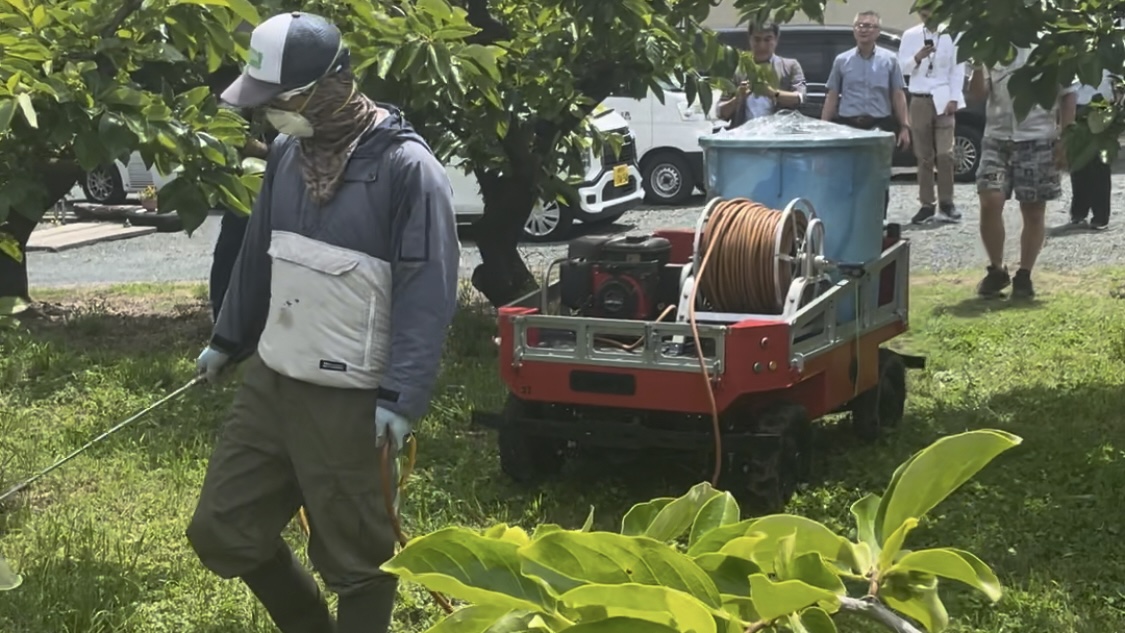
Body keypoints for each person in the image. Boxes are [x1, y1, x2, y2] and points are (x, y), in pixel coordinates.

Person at [185, 11, 461, 633]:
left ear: (327, 87)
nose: (269, 117)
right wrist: (228, 337)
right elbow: (259, 253)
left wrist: (401, 397)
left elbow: (429, 292)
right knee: (222, 528)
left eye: (279, 101)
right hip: (274, 378)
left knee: (357, 558)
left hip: (352, 394)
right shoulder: (287, 152)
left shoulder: (406, 170)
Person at [970, 47, 1077, 299]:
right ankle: (996, 270)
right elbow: (977, 95)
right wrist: (976, 63)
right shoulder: (993, 41)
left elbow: (1069, 93)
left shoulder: (1050, 41)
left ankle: (1024, 274)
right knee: (990, 198)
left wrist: (1065, 136)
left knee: (1033, 208)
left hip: (1038, 138)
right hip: (996, 138)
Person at [821, 11, 912, 216]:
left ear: (878, 32)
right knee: (846, 177)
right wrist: (823, 127)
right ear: (854, 30)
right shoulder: (841, 61)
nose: (864, 29)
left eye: (869, 26)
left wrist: (905, 126)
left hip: (879, 125)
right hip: (848, 126)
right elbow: (832, 95)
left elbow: (898, 94)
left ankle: (879, 222)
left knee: (879, 177)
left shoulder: (890, 60)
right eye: (860, 25)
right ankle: (847, 220)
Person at [898, 5, 965, 224]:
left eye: (931, 8)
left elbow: (958, 68)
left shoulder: (952, 34)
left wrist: (955, 97)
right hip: (919, 98)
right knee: (923, 155)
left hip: (944, 96)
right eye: (923, 10)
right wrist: (917, 57)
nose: (927, 14)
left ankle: (947, 202)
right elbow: (902, 69)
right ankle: (927, 204)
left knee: (946, 154)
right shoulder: (911, 35)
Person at [716, 19, 807, 127]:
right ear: (750, 40)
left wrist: (772, 93)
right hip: (744, 138)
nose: (762, 46)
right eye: (757, 40)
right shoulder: (738, 69)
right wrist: (738, 98)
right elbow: (720, 112)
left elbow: (799, 98)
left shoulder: (791, 66)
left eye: (767, 40)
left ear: (776, 40)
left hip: (778, 136)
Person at [1065, 67, 1115, 231]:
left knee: (1100, 162)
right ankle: (1079, 212)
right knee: (1078, 161)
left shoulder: (1109, 46)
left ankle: (1101, 216)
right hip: (1076, 103)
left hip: (1101, 103)